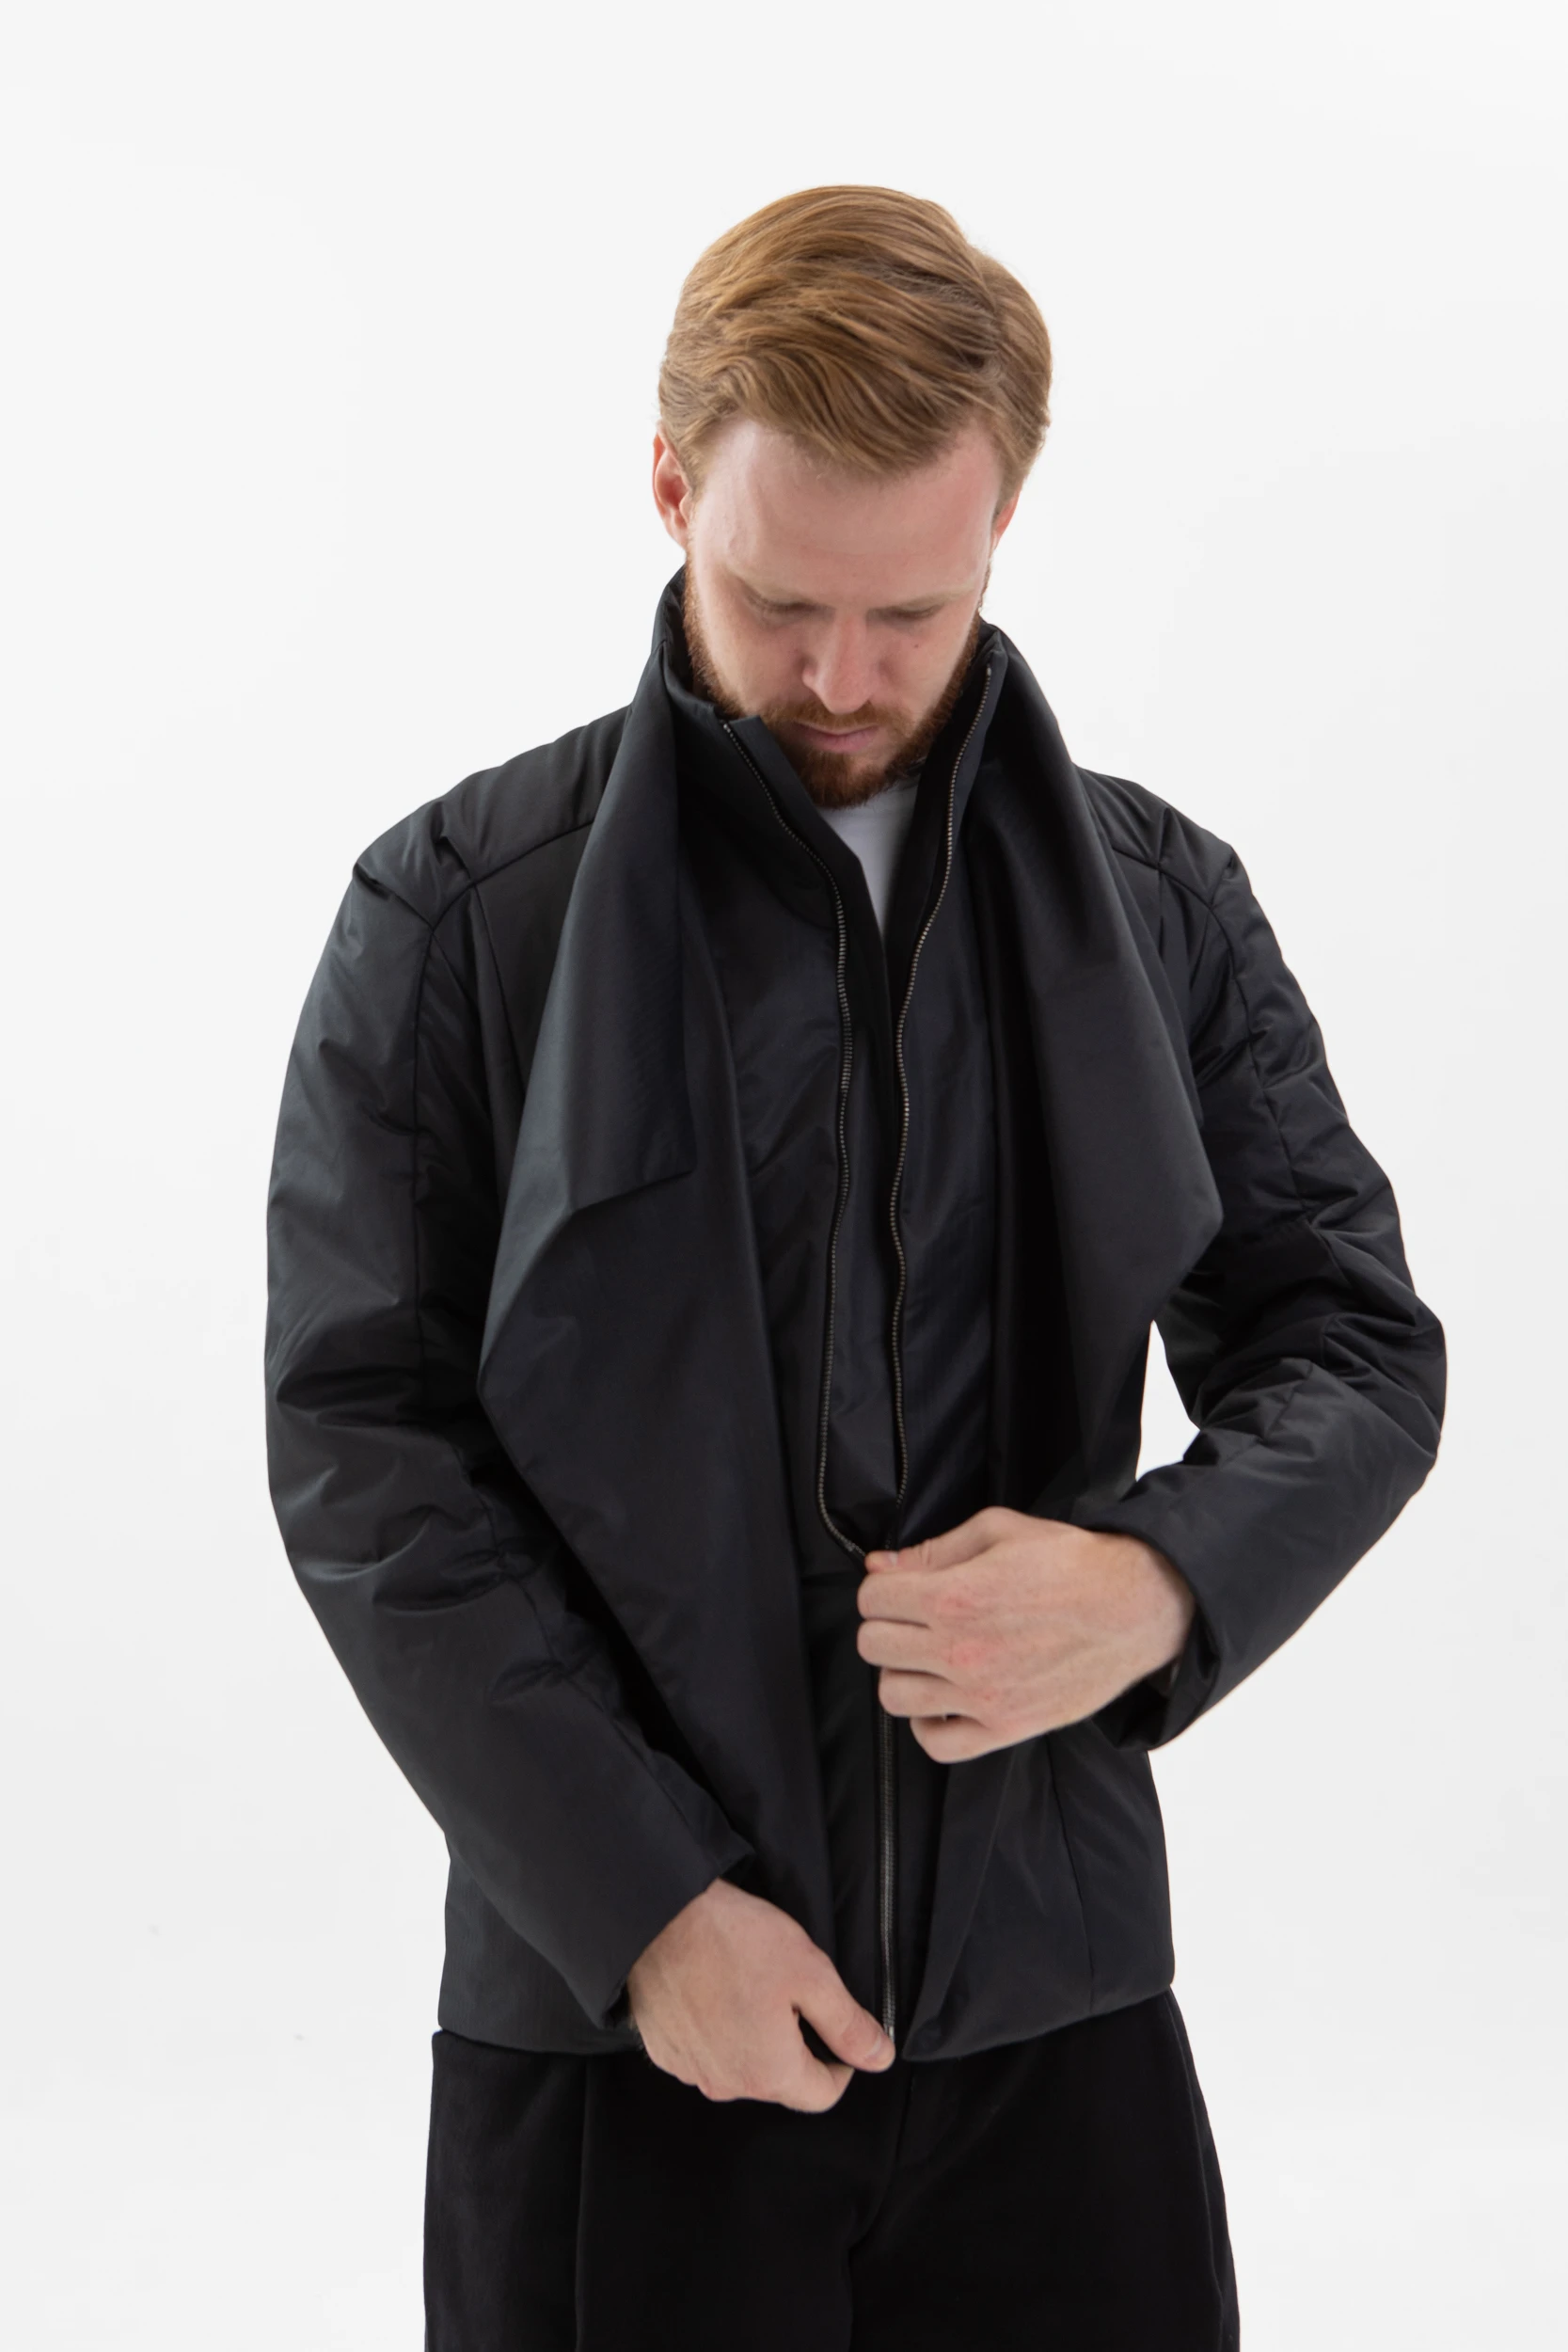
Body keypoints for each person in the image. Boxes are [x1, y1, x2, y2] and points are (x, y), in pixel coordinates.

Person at [264, 186, 1444, 2350]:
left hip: (1053, 2015)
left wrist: (1161, 1577)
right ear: (666, 485)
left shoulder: (1159, 904)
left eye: (910, 609)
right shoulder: (458, 915)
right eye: (776, 598)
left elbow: (1347, 1343)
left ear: (1003, 520)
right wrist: (643, 1906)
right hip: (620, 2029)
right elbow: (369, 1451)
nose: (837, 676)